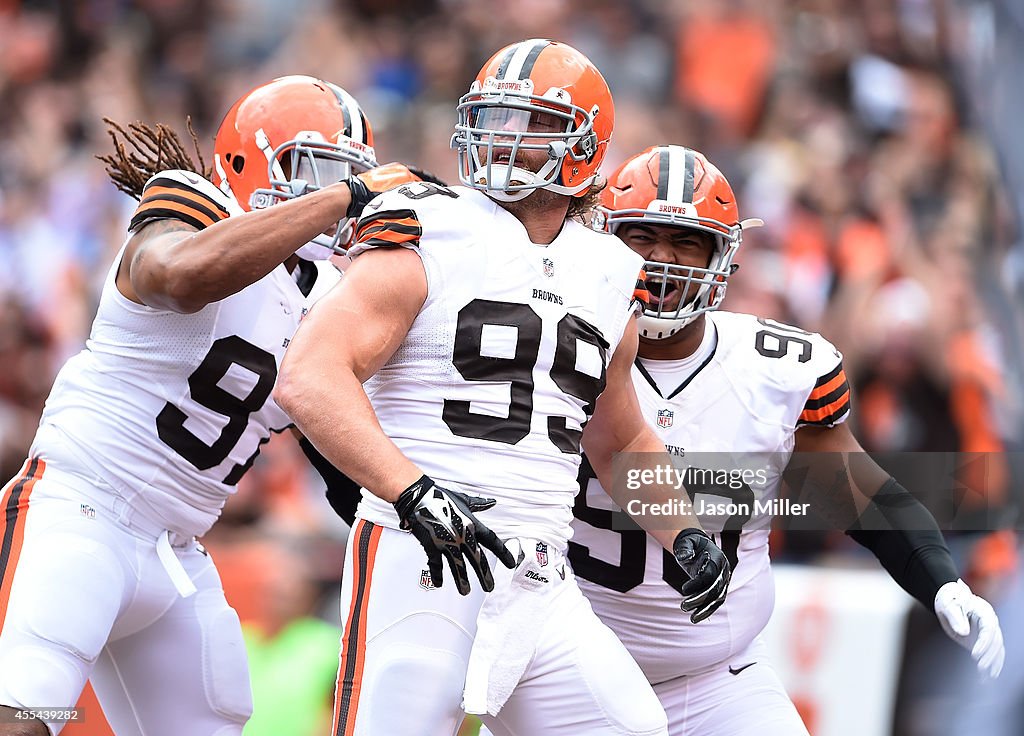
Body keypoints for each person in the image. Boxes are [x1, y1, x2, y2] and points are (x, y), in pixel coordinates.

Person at [274, 39, 732, 736]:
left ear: (585, 144)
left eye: (533, 122)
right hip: (422, 553)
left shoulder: (611, 270)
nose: (505, 137)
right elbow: (310, 376)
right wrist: (411, 491)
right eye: (496, 117)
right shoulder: (430, 225)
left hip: (541, 576)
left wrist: (686, 533)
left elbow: (620, 436)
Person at [0, 75, 416, 736]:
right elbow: (178, 275)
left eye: (346, 176)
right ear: (249, 163)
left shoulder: (324, 300)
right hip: (81, 510)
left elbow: (341, 464)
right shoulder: (192, 203)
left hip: (177, 552)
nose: (334, 195)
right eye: (314, 172)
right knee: (26, 714)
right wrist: (344, 197)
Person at [567, 144, 1006, 735]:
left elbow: (859, 496)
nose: (662, 258)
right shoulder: (559, 347)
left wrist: (940, 578)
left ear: (722, 257)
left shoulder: (774, 371)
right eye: (642, 236)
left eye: (685, 240)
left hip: (717, 681)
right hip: (572, 677)